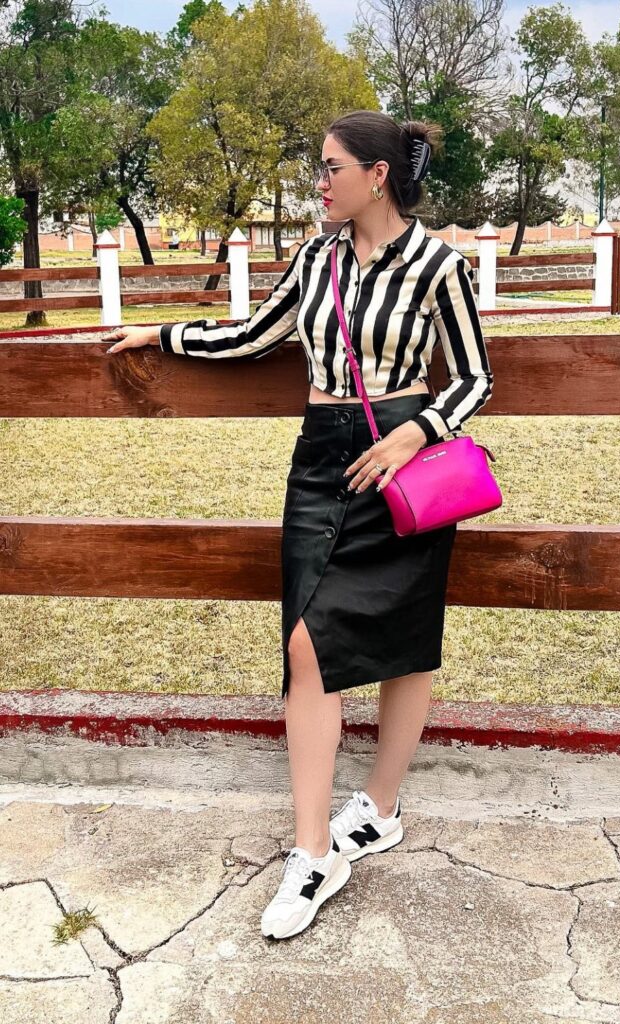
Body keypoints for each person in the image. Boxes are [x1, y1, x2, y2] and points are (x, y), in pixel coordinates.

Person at [102, 109, 494, 941]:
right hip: (322, 461)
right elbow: (251, 335)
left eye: (329, 167)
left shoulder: (439, 266)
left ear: (376, 175)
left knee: (404, 629)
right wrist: (162, 333)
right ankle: (312, 851)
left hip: (404, 464)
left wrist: (411, 432)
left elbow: (472, 379)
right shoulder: (313, 260)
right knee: (303, 640)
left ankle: (380, 807)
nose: (317, 182)